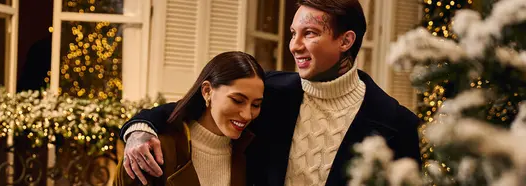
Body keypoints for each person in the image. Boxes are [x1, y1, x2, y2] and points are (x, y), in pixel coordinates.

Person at [120, 0, 421, 185]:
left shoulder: (397, 123)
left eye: (310, 34)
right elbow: (186, 107)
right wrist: (138, 130)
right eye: (293, 33)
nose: (295, 45)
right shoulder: (271, 92)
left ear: (346, 41)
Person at [115, 51, 266, 186]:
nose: (247, 115)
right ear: (207, 91)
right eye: (237, 100)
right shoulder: (152, 150)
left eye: (256, 104)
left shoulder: (251, 152)